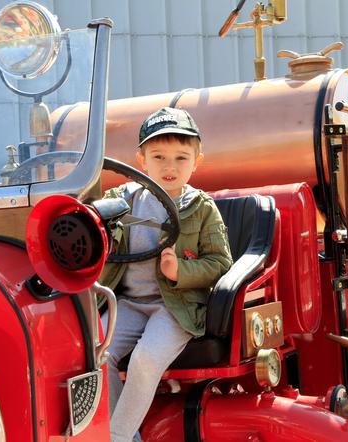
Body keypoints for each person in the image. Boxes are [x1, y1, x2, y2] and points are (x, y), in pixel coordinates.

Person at [98, 107, 233, 442]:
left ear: (196, 161)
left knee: (145, 359)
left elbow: (220, 263)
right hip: (126, 302)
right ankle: (123, 436)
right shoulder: (121, 200)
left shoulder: (201, 208)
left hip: (175, 307)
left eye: (180, 158)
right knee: (96, 352)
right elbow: (96, 231)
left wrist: (180, 271)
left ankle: (115, 436)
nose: (170, 167)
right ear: (141, 160)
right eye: (159, 156)